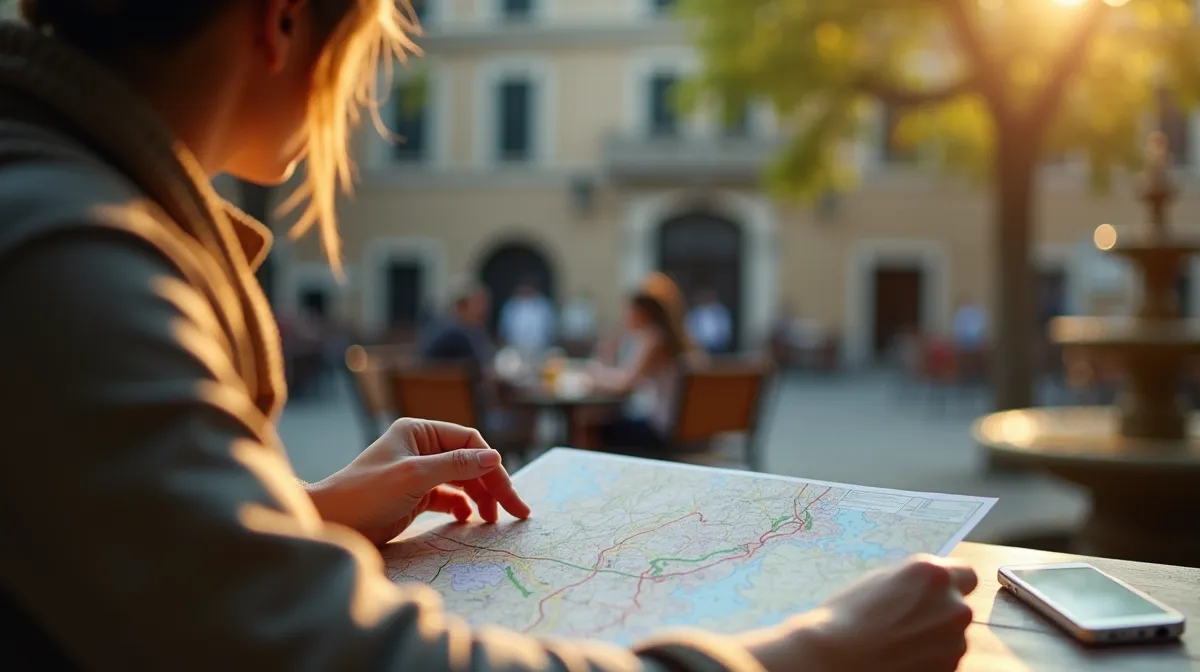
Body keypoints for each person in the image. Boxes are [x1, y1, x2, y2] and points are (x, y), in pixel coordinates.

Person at [0, 2, 977, 670]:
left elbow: (123, 553)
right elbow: (319, 655)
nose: (359, 97)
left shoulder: (62, 214)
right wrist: (811, 654)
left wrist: (311, 510)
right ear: (281, 20)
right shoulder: (68, 257)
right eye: (368, 53)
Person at [587, 273, 700, 450]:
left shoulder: (655, 340)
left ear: (644, 311)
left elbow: (626, 385)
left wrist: (593, 376)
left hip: (662, 432)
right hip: (688, 433)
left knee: (590, 427)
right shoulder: (683, 340)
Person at [417, 277, 494, 370]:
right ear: (463, 305)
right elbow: (481, 367)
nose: (485, 309)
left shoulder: (441, 325)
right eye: (480, 301)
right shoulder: (453, 335)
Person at [498, 281, 555, 355]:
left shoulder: (543, 305)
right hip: (515, 351)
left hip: (541, 350)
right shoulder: (510, 306)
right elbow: (504, 331)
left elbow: (551, 330)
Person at [686, 287, 733, 355]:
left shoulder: (721, 311)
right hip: (699, 349)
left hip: (719, 349)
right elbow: (689, 332)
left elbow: (725, 331)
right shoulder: (694, 313)